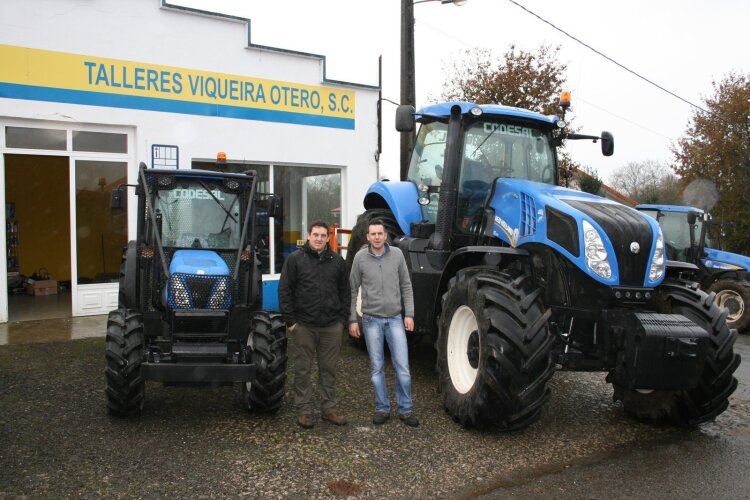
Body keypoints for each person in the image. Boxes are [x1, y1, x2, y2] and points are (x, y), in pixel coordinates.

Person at [278, 220, 350, 429]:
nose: (319, 239)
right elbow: (285, 290)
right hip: (304, 326)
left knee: (329, 370)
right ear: (308, 235)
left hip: (331, 327)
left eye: (323, 235)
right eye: (315, 235)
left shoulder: (338, 262)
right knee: (303, 370)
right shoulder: (295, 259)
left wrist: (342, 321)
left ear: (328, 238)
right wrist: (291, 321)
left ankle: (329, 410)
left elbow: (345, 292)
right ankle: (304, 411)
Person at [348, 220, 419, 427]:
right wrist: (352, 319)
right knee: (377, 368)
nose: (377, 237)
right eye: (373, 234)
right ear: (368, 237)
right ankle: (382, 408)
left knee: (403, 367)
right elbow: (352, 289)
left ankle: (405, 409)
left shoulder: (397, 255)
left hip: (395, 318)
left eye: (380, 233)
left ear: (385, 236)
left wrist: (409, 314)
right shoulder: (360, 258)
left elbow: (406, 285)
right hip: (370, 320)